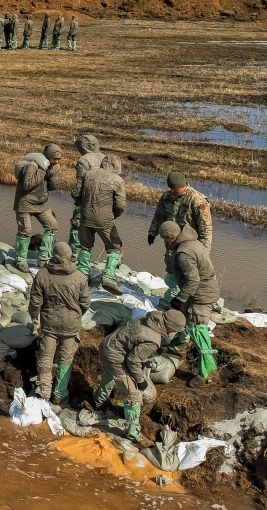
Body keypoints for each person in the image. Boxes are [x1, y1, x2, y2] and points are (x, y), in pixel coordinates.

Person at [93, 309, 188, 443]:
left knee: (109, 374)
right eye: (174, 330)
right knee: (133, 395)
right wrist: (140, 380)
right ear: (169, 326)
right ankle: (132, 433)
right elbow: (133, 361)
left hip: (108, 345)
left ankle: (99, 402)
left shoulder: (146, 318)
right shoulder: (153, 339)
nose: (174, 333)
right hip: (115, 357)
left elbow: (131, 341)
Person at [158, 220, 220, 387]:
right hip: (202, 290)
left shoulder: (184, 252)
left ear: (171, 237)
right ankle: (175, 347)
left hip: (201, 294)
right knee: (183, 318)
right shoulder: (193, 241)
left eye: (165, 239)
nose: (164, 242)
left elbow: (193, 279)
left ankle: (208, 371)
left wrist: (180, 298)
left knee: (198, 330)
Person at [28, 242, 91, 406]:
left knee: (46, 358)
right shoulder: (79, 277)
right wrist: (76, 315)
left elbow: (35, 300)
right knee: (65, 360)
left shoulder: (42, 274)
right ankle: (59, 395)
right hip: (71, 325)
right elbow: (85, 303)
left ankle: (43, 392)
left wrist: (34, 315)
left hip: (49, 324)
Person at [148, 172, 213, 306]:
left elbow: (205, 229)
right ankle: (173, 296)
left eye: (175, 190)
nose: (172, 192)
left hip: (189, 245)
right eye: (171, 189)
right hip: (171, 242)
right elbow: (159, 215)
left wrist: (203, 253)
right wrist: (153, 231)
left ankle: (181, 300)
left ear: (183, 186)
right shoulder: (167, 197)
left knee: (187, 272)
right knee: (171, 268)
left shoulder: (198, 200)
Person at [78, 154, 127, 294]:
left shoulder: (89, 174)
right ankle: (108, 277)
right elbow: (120, 204)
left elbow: (77, 193)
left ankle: (82, 275)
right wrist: (114, 215)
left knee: (85, 246)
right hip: (105, 220)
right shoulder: (117, 180)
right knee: (114, 246)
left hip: (85, 216)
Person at [13, 143, 63, 272]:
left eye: (58, 159)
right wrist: (42, 171)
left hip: (42, 204)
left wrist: (51, 176)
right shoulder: (33, 165)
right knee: (26, 231)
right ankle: (20, 260)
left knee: (52, 226)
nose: (57, 161)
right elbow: (27, 185)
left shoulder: (54, 167)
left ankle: (44, 259)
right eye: (54, 158)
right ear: (48, 157)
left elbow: (52, 187)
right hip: (25, 203)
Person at [69, 134, 105, 255]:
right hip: (104, 203)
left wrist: (75, 196)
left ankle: (72, 256)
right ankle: (85, 261)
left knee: (76, 226)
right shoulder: (106, 158)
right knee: (95, 232)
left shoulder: (84, 160)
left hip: (85, 202)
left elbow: (80, 185)